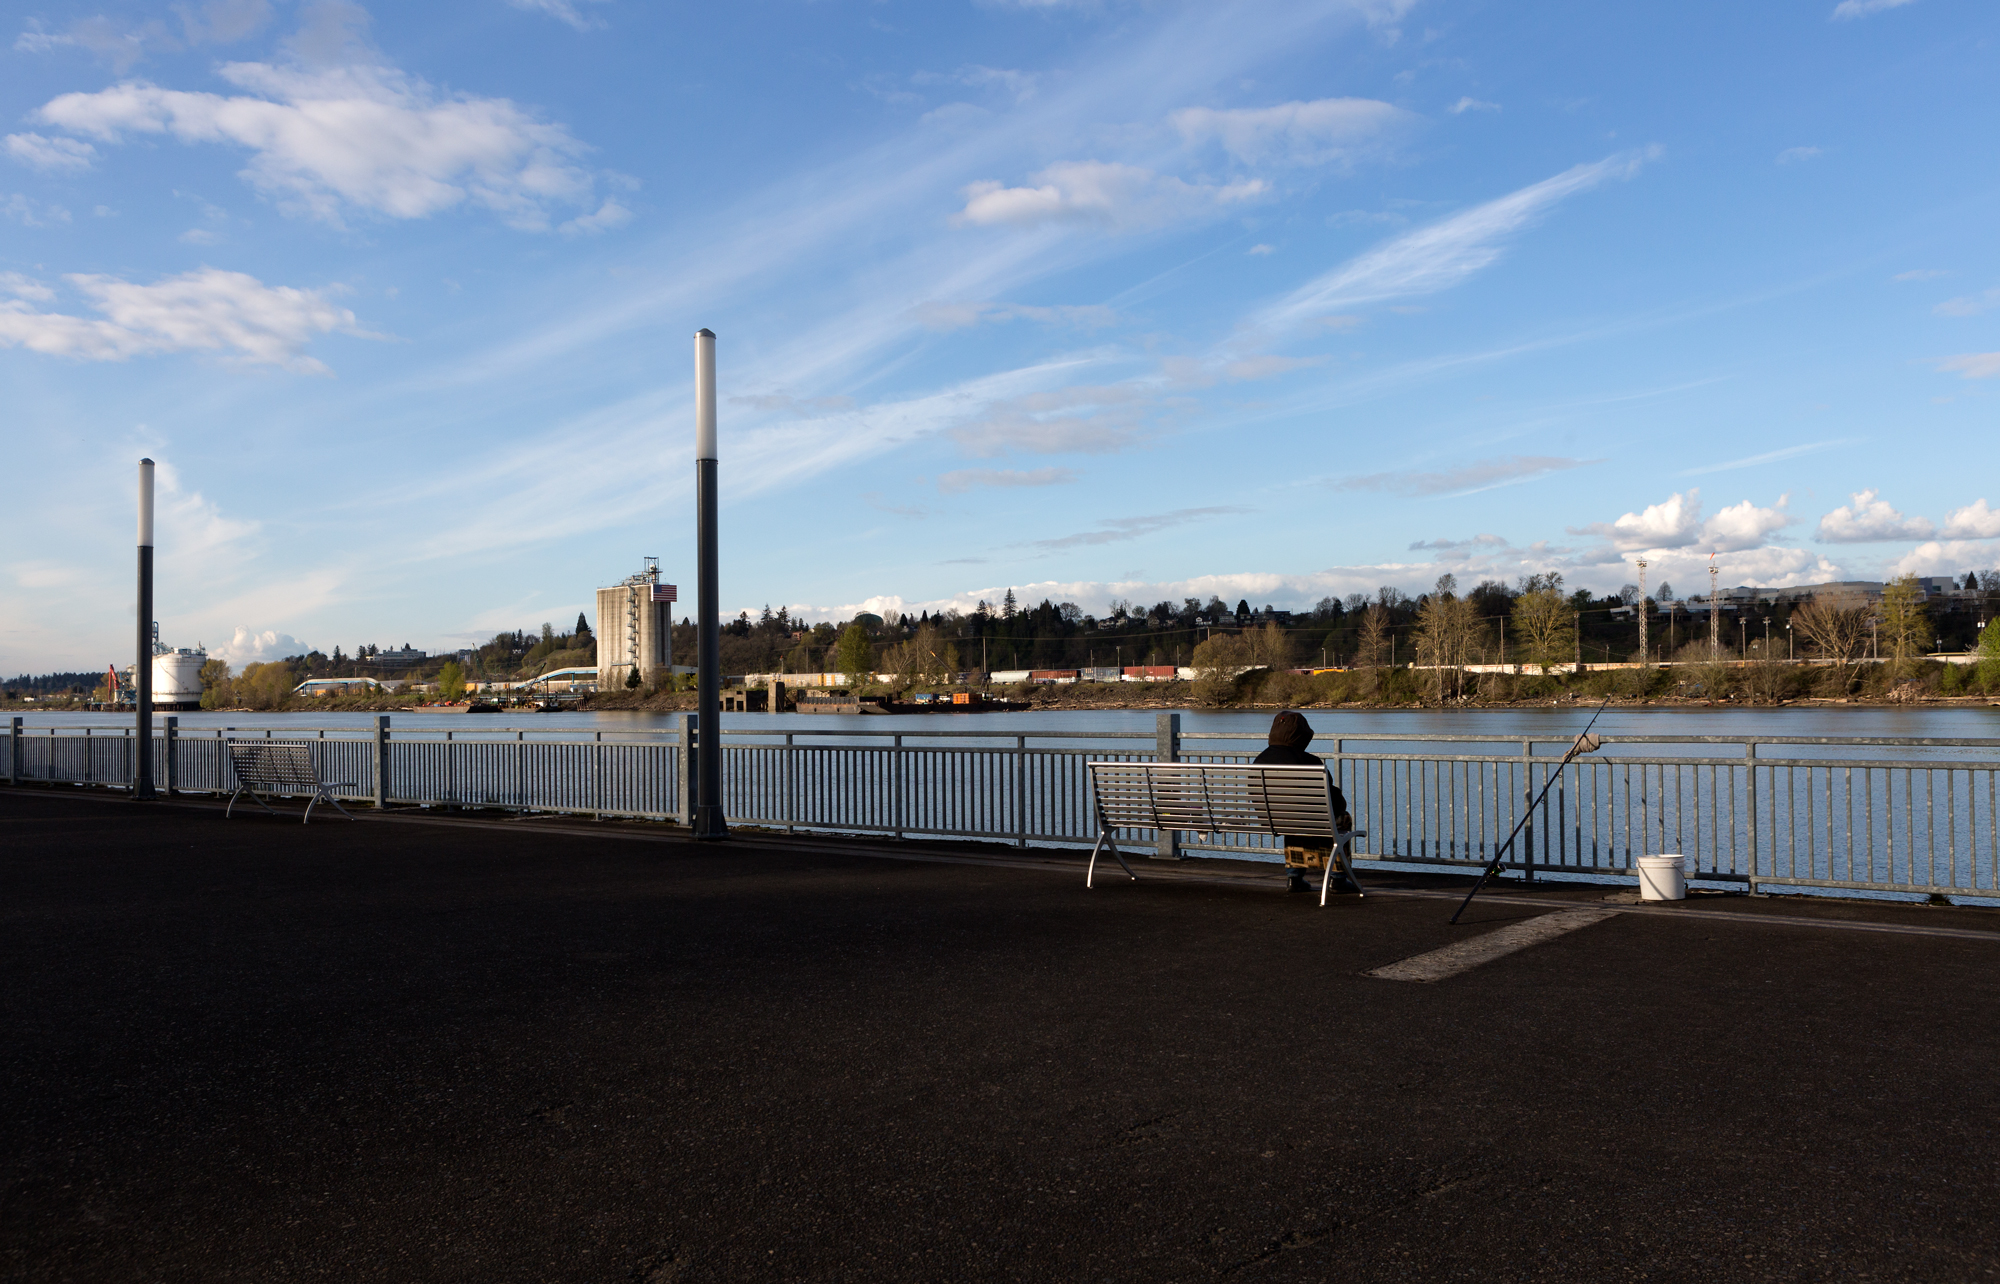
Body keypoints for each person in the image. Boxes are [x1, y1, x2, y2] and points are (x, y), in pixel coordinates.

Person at [1252, 710, 1357, 894]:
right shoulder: (1310, 762)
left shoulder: (1260, 760)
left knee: (1292, 818)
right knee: (1339, 819)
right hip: (1312, 821)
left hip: (1274, 820)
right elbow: (1333, 801)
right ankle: (1338, 879)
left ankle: (1294, 877)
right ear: (1301, 735)